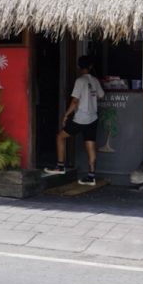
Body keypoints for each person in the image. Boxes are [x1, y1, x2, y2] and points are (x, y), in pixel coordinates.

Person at [43, 55, 102, 186]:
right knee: (90, 145)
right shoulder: (95, 81)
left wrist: (66, 115)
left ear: (79, 67)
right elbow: (101, 95)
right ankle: (91, 176)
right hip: (93, 118)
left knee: (60, 137)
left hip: (81, 118)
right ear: (91, 66)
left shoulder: (80, 81)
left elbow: (75, 101)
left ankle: (60, 166)